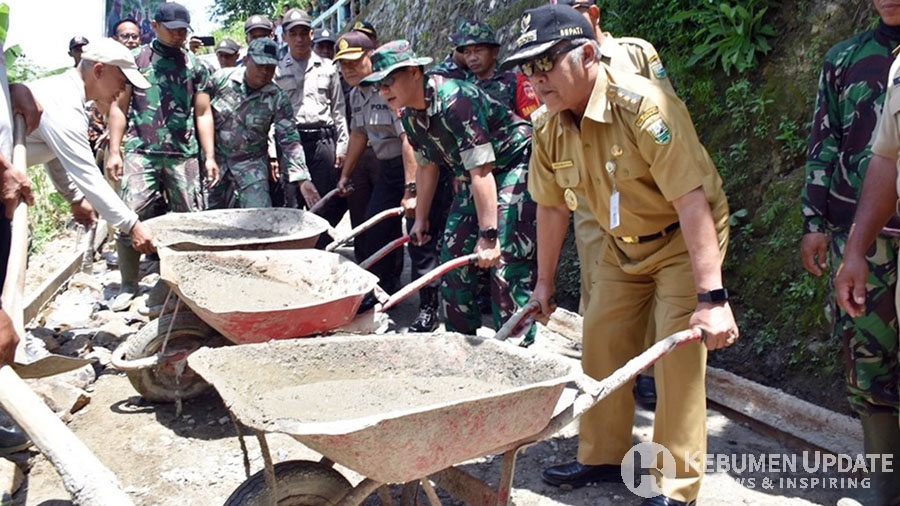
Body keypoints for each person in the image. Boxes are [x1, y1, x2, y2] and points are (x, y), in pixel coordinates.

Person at [512, 5, 736, 505]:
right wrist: (545, 283)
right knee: (601, 342)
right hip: (622, 243)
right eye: (529, 67)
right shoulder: (548, 127)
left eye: (546, 62)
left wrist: (712, 296)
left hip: (680, 237)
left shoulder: (643, 105)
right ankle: (602, 456)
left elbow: (691, 199)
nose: (537, 78)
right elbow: (551, 208)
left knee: (678, 354)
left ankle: (675, 485)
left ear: (589, 53)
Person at [363, 40, 538, 343]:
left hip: (513, 163)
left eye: (389, 80)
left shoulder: (455, 99)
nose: (384, 91)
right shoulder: (409, 114)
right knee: (453, 256)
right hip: (475, 176)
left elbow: (482, 170)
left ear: (415, 72)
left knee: (505, 259)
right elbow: (428, 165)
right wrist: (420, 220)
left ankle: (517, 350)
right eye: (379, 85)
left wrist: (489, 235)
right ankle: (461, 344)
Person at [553, 0, 677, 406]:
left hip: (642, 191)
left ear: (594, 12)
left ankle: (653, 372)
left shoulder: (635, 52)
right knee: (598, 285)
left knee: (658, 283)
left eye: (573, 8)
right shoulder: (554, 62)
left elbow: (669, 113)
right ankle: (611, 374)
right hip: (592, 194)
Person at [808, 3, 900, 505]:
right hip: (862, 237)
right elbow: (825, 140)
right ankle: (882, 488)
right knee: (866, 360)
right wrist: (813, 223)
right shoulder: (846, 58)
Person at [106, 2, 216, 311]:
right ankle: (129, 283)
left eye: (184, 30)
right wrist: (115, 150)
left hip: (183, 154)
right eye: (173, 30)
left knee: (189, 221)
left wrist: (209, 156)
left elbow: (203, 112)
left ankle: (182, 283)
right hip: (141, 152)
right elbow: (119, 107)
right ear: (154, 27)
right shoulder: (135, 61)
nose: (180, 35)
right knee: (129, 215)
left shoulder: (196, 66)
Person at [335, 32, 448, 330]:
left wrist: (411, 190)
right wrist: (346, 174)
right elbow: (358, 135)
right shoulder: (356, 94)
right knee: (375, 229)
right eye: (341, 65)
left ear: (369, 57)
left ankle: (428, 307)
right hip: (387, 168)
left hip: (415, 165)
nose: (347, 69)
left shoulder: (392, 88)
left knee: (419, 234)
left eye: (353, 62)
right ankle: (383, 293)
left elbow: (409, 140)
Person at [24, 39, 156, 257]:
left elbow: (56, 155)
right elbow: (87, 173)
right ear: (99, 70)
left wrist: (74, 198)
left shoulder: (69, 97)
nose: (123, 89)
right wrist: (133, 225)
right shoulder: (63, 103)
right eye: (122, 80)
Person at [206, 38, 318, 210]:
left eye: (270, 67)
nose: (265, 72)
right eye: (260, 65)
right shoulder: (220, 80)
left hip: (251, 164)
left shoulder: (277, 97)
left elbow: (289, 140)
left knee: (259, 215)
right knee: (207, 218)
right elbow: (199, 114)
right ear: (245, 61)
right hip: (215, 160)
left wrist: (303, 179)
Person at [275, 8, 348, 232]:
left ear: (311, 34)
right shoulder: (276, 72)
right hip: (290, 142)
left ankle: (320, 251)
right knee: (292, 204)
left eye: (303, 33)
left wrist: (342, 144)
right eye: (293, 33)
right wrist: (271, 153)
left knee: (325, 202)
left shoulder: (329, 68)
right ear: (285, 36)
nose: (299, 39)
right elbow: (271, 115)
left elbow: (339, 109)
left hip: (322, 141)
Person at [454, 21, 540, 119]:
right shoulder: (464, 88)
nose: (472, 58)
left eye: (478, 51)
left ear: (494, 52)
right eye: (467, 53)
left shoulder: (516, 82)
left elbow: (536, 124)